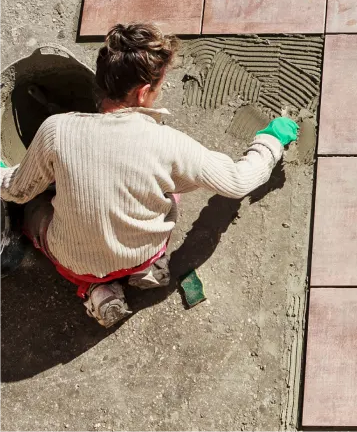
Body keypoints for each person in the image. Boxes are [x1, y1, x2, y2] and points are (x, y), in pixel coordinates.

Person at [0, 23, 298, 328]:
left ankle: (96, 289)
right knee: (171, 191)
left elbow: (17, 190)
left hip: (75, 263)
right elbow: (238, 182)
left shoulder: (55, 130)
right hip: (141, 252)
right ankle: (149, 270)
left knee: (34, 209)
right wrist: (271, 140)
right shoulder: (167, 145)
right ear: (143, 93)